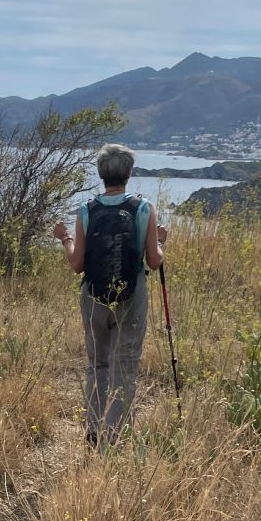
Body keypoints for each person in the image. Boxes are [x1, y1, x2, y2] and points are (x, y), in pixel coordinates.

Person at [52, 143, 167, 447]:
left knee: (97, 363)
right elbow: (154, 261)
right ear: (129, 173)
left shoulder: (87, 210)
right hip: (132, 296)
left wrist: (65, 239)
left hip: (93, 297)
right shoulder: (143, 208)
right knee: (124, 364)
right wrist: (161, 242)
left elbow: (78, 265)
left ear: (101, 174)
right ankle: (114, 435)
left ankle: (94, 430)